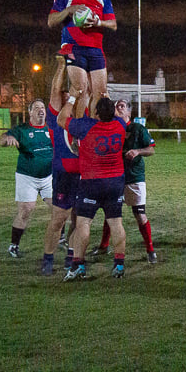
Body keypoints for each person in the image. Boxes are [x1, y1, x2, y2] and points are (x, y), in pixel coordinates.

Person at [58, 93, 127, 280]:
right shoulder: (119, 125)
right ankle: (119, 265)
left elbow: (61, 119)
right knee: (116, 223)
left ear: (96, 113)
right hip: (115, 182)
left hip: (92, 182)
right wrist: (107, 98)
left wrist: (72, 99)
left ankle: (78, 265)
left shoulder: (86, 126)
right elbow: (121, 117)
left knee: (83, 224)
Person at [91, 99, 158, 263]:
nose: (118, 109)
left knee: (139, 214)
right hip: (114, 176)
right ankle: (103, 246)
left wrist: (138, 151)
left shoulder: (137, 128)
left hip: (134, 177)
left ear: (129, 112)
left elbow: (151, 150)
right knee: (110, 213)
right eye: (116, 106)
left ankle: (150, 250)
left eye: (121, 106)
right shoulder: (111, 128)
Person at [47, 0, 117, 108]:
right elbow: (51, 21)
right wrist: (68, 10)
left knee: (101, 93)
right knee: (80, 88)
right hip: (72, 47)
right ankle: (78, 127)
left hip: (95, 48)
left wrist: (99, 22)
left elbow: (113, 24)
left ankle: (94, 126)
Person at [41, 56, 80, 276]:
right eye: (64, 96)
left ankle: (71, 256)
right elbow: (56, 89)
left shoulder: (82, 117)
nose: (66, 97)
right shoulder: (56, 117)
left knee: (79, 218)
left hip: (84, 175)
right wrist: (62, 66)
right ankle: (47, 258)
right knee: (58, 219)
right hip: (64, 174)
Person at [0, 99, 53, 258]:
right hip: (27, 177)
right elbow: (2, 138)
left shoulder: (51, 128)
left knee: (58, 209)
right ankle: (14, 245)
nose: (40, 110)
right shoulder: (22, 129)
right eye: (36, 108)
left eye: (42, 107)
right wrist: (6, 139)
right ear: (30, 112)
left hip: (49, 176)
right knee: (26, 210)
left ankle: (61, 238)